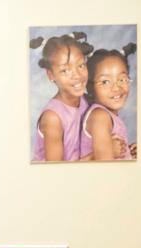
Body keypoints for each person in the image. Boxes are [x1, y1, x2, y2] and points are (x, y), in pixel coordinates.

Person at [30, 32, 93, 162]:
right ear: (51, 75)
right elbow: (57, 173)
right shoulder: (53, 118)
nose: (77, 75)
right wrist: (97, 155)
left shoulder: (87, 101)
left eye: (81, 65)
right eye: (65, 70)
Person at [80, 43, 137, 161]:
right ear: (90, 87)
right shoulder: (100, 117)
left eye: (122, 79)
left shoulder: (108, 115)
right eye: (105, 82)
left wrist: (129, 153)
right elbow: (105, 169)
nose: (116, 88)